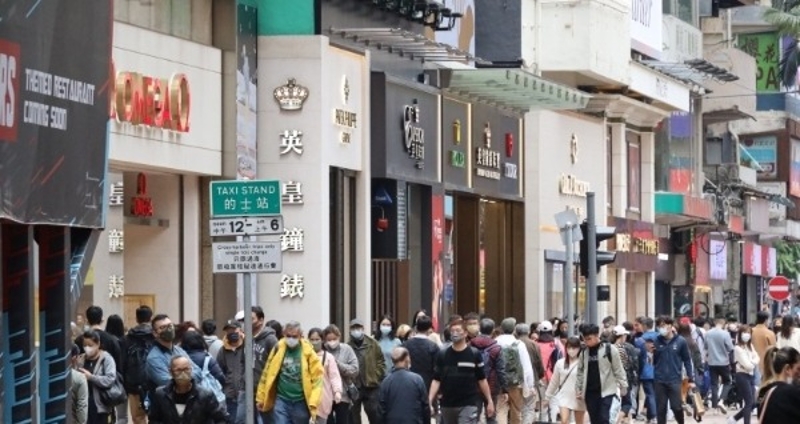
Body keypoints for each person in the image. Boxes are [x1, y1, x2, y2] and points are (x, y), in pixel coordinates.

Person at [256, 321, 324, 424]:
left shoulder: (309, 352)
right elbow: (267, 373)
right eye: (288, 336)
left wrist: (313, 402)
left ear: (300, 335)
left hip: (301, 403)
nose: (291, 339)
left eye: (294, 336)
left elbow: (317, 379)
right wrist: (261, 397)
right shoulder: (278, 348)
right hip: (281, 400)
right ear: (284, 334)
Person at [429, 319, 495, 424]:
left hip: (468, 403)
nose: (455, 333)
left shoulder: (474, 354)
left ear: (465, 333)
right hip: (447, 405)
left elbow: (482, 379)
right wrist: (429, 400)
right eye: (452, 331)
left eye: (458, 330)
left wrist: (489, 400)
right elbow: (436, 380)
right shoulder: (443, 355)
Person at [147, 355, 229, 423]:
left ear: (191, 370)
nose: (183, 374)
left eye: (186, 369)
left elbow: (221, 419)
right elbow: (154, 419)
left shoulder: (205, 395)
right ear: (171, 372)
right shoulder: (161, 395)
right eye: (178, 370)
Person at [575, 324, 628, 424]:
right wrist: (578, 388)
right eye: (584, 339)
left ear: (597, 336)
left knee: (604, 418)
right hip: (590, 392)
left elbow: (618, 369)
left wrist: (623, 385)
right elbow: (580, 372)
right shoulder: (584, 353)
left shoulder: (610, 349)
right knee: (594, 419)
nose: (586, 342)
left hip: (607, 390)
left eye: (589, 339)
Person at [646, 316, 694, 424]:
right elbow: (651, 362)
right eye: (659, 326)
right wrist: (650, 353)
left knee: (676, 406)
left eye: (663, 325)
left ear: (671, 325)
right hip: (659, 379)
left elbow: (687, 360)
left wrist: (691, 378)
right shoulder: (656, 341)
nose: (661, 328)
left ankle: (680, 421)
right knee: (661, 409)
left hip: (675, 379)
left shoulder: (680, 341)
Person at [495, 317, 536, 424]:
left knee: (501, 410)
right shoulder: (518, 344)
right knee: (516, 410)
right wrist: (530, 385)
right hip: (516, 383)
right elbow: (526, 366)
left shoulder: (495, 342)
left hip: (500, 382)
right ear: (514, 330)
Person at [469, 318, 507, 424]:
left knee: (473, 417)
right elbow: (501, 370)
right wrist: (504, 389)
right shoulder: (496, 348)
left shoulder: (470, 345)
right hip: (492, 386)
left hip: (474, 385)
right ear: (493, 330)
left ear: (479, 329)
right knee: (491, 416)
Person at [146, 314, 200, 390]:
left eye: (170, 325)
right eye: (163, 327)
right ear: (155, 333)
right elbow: (167, 383)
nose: (169, 329)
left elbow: (198, 372)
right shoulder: (154, 357)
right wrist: (188, 376)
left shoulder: (179, 350)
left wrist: (181, 379)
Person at [348, 318, 385, 424]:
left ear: (363, 328)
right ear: (350, 330)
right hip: (355, 386)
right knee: (354, 417)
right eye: (354, 328)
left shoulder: (373, 344)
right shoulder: (347, 346)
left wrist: (376, 375)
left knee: (374, 414)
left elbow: (381, 361)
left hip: (371, 386)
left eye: (358, 327)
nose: (356, 330)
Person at [379, 346, 430, 424]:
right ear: (407, 358)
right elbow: (425, 406)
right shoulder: (417, 379)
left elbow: (381, 410)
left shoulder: (386, 382)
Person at [78, 330, 118, 424]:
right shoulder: (81, 359)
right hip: (84, 405)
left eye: (90, 345)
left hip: (101, 406)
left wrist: (91, 377)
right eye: (85, 345)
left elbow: (110, 379)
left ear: (98, 344)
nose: (87, 348)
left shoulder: (106, 359)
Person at [323, 324, 360, 424]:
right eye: (329, 339)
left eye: (334, 339)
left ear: (339, 337)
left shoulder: (347, 349)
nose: (332, 342)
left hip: (344, 394)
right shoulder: (322, 350)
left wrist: (337, 364)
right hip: (326, 394)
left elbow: (355, 370)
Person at [124, 305, 154, 424]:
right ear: (150, 318)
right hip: (154, 380)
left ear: (136, 318)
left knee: (138, 417)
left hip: (134, 382)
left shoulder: (128, 338)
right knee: (156, 416)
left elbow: (124, 361)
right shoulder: (156, 336)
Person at [545, 337, 586, 424]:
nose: (571, 350)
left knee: (579, 422)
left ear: (579, 348)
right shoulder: (560, 363)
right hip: (564, 396)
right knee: (564, 421)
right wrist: (547, 397)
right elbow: (554, 381)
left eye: (574, 347)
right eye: (569, 347)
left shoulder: (583, 363)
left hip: (578, 397)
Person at [308, 327, 343, 424]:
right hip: (306, 397)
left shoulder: (328, 357)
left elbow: (334, 376)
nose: (314, 342)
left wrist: (337, 391)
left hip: (323, 399)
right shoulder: (305, 356)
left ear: (322, 340)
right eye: (312, 339)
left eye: (317, 339)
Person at [756, 347, 800, 422]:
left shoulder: (765, 391)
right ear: (787, 368)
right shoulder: (791, 393)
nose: (799, 374)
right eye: (798, 369)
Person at [405, 315, 442, 398]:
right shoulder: (433, 347)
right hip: (428, 386)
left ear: (416, 327)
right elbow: (437, 371)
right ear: (429, 329)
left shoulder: (405, 345)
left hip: (408, 385)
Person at [728, 325, 759, 424]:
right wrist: (752, 362)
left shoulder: (750, 346)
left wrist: (752, 362)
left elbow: (757, 357)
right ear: (740, 334)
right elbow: (748, 365)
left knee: (753, 403)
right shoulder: (737, 348)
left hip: (751, 375)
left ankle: (734, 419)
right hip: (742, 376)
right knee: (749, 402)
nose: (747, 335)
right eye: (745, 332)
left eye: (749, 333)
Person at [515, 322, 545, 424]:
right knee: (528, 407)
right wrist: (539, 376)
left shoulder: (514, 343)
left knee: (516, 408)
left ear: (517, 332)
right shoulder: (534, 344)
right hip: (531, 379)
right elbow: (539, 362)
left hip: (515, 380)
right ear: (528, 332)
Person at [218, 320, 246, 424]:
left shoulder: (247, 347)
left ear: (240, 330)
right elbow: (219, 371)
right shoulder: (223, 350)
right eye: (228, 331)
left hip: (245, 394)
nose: (231, 333)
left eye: (233, 330)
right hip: (230, 396)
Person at [706, 317, 734, 415]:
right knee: (727, 382)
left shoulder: (708, 333)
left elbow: (705, 346)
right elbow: (730, 348)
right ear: (723, 323)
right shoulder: (725, 334)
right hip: (723, 362)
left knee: (714, 384)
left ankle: (714, 408)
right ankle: (722, 400)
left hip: (712, 362)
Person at [104, 313, 129, 424]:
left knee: (107, 412)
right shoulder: (125, 341)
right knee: (122, 415)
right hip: (122, 381)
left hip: (106, 379)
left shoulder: (105, 340)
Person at [633, 316, 658, 423]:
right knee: (655, 394)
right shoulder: (659, 337)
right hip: (658, 370)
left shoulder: (639, 340)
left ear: (644, 326)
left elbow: (637, 356)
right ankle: (652, 415)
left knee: (650, 394)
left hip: (645, 370)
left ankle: (653, 416)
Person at [68, 343, 89, 424]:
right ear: (74, 357)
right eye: (79, 356)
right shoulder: (80, 378)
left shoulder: (47, 376)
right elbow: (82, 406)